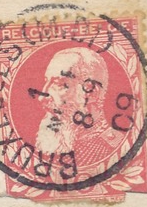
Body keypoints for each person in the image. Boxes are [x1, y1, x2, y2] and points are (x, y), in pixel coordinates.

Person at [34, 48, 124, 178]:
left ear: (92, 93)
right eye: (46, 81)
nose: (41, 98)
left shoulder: (118, 150)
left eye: (59, 84)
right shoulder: (49, 146)